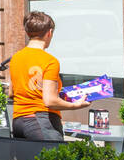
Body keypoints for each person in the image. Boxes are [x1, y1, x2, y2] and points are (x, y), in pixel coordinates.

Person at [9, 10, 87, 141]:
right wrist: (76, 105)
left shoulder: (16, 58)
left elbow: (12, 92)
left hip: (18, 122)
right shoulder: (50, 61)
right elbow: (50, 101)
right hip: (42, 121)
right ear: (49, 33)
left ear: (28, 33)